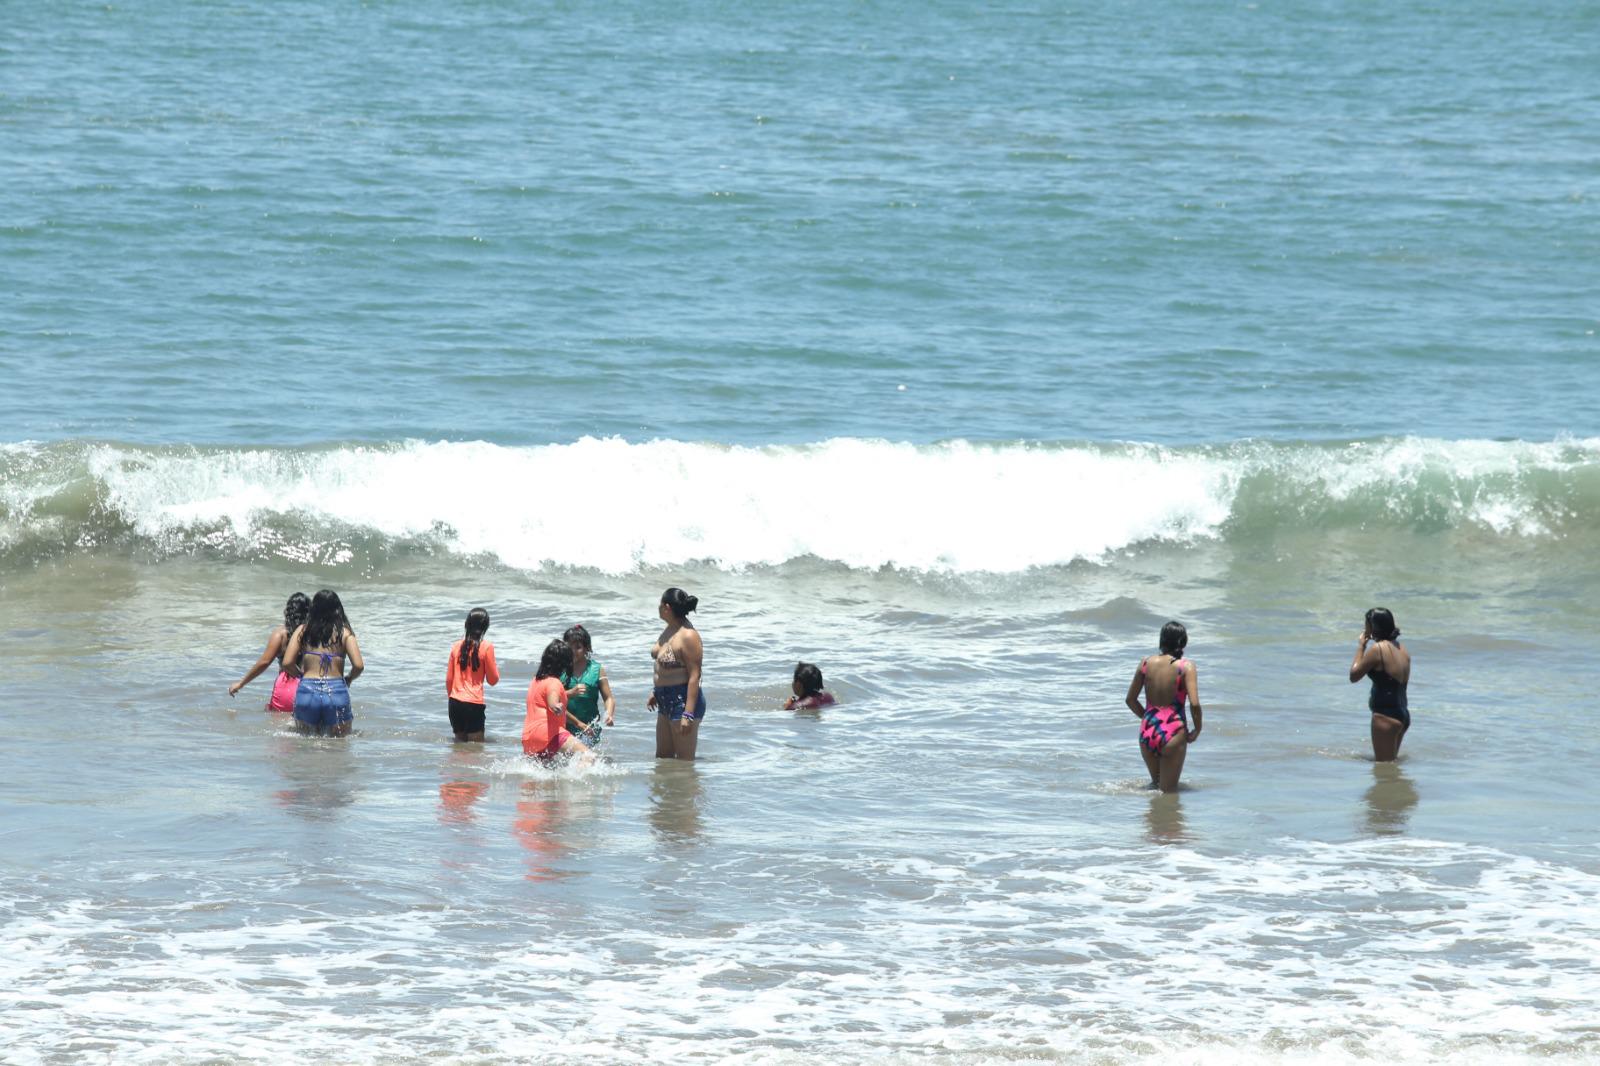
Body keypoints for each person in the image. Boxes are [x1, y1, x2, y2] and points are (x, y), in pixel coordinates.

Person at [1124, 621, 1203, 793]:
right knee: (1168, 793)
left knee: (1156, 787)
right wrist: (1197, 729)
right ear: (1182, 642)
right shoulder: (1186, 667)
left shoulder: (1145, 663)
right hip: (1173, 731)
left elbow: (1130, 700)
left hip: (1148, 730)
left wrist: (1150, 718)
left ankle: (1155, 819)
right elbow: (1195, 704)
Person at [283, 589, 363, 737]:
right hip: (336, 692)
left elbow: (287, 662)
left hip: (307, 691)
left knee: (305, 744)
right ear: (338, 610)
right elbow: (358, 666)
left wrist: (301, 676)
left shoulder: (302, 631)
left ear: (313, 608)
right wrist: (349, 679)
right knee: (339, 746)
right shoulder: (345, 633)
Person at [648, 587, 704, 760]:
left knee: (684, 763)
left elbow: (695, 676)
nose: (657, 607)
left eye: (660, 604)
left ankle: (687, 789)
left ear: (666, 607)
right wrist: (655, 691)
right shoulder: (670, 629)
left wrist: (688, 713)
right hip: (664, 698)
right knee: (663, 759)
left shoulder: (688, 635)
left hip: (682, 700)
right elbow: (664, 667)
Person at [228, 592, 310, 712]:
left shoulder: (280, 635)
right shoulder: (313, 634)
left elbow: (264, 662)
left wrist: (241, 683)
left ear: (287, 611)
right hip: (309, 688)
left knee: (279, 725)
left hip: (286, 689)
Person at [1349, 607, 1410, 762]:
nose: (1365, 628)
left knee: (1383, 770)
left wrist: (1361, 646)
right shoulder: (1402, 649)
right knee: (1391, 766)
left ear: (1373, 626)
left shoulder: (1378, 649)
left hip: (1385, 716)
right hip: (1402, 714)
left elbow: (1354, 675)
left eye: (1366, 624)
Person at [522, 639, 592, 762]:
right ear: (564, 663)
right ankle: (577, 781)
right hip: (549, 734)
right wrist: (555, 706)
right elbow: (552, 700)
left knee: (544, 774)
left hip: (529, 739)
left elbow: (546, 700)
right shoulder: (554, 682)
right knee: (588, 756)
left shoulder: (535, 681)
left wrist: (578, 724)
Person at [446, 608, 499, 742]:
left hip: (454, 702)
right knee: (475, 750)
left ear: (467, 624)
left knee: (459, 747)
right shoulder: (487, 647)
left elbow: (449, 680)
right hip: (473, 703)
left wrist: (453, 700)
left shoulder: (456, 646)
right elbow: (493, 680)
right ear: (485, 626)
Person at [560, 624, 615, 748]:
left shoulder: (597, 669)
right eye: (569, 647)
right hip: (564, 725)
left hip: (590, 727)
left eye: (578, 647)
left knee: (585, 759)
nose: (573, 652)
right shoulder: (560, 669)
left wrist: (609, 714)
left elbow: (608, 698)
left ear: (587, 648)